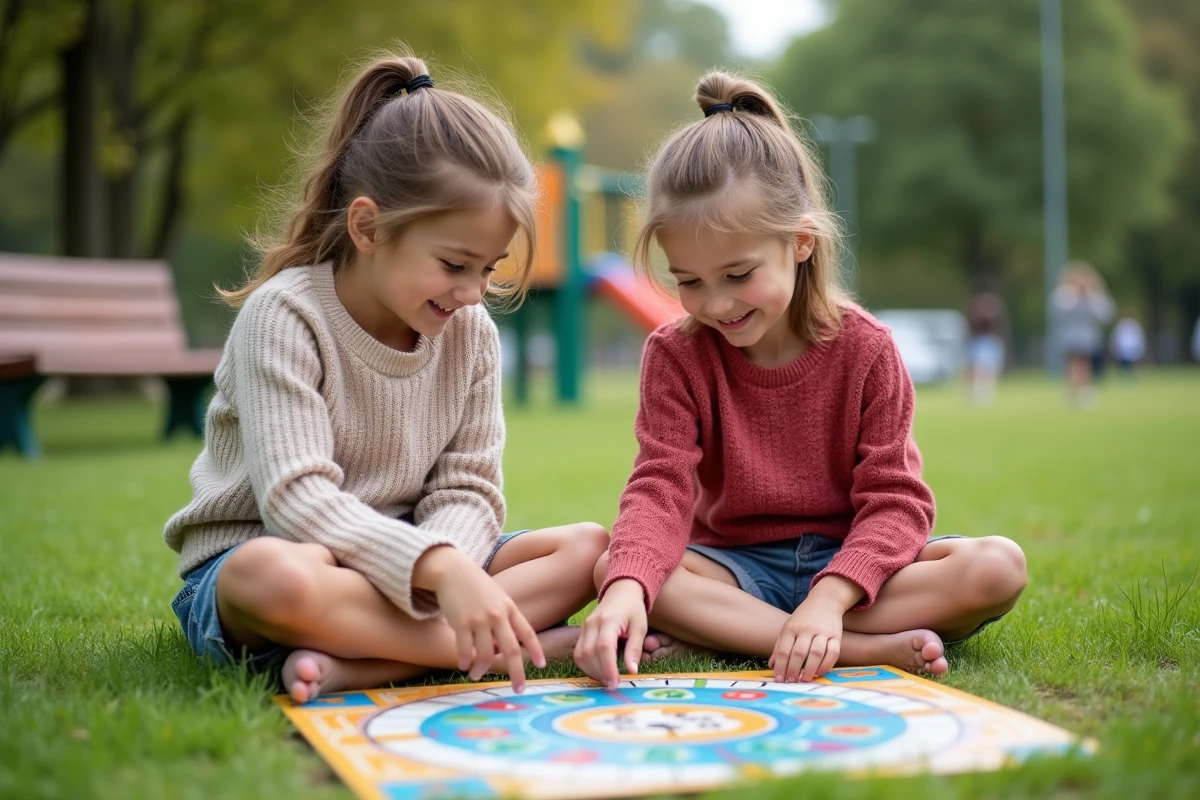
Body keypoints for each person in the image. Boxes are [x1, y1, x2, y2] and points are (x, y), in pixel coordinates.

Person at [164, 53, 608, 704]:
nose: (471, 292)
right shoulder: (284, 317)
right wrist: (438, 571)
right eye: (455, 263)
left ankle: (366, 661)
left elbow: (468, 490)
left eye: (487, 269)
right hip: (285, 555)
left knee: (587, 549)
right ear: (368, 227)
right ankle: (479, 648)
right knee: (272, 577)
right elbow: (298, 501)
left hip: (414, 562)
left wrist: (441, 566)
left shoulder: (471, 331)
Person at [574, 72, 1027, 689]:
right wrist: (628, 587)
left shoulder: (868, 349)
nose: (715, 304)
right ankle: (855, 650)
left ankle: (750, 631)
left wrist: (831, 598)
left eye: (738, 275)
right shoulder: (674, 355)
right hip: (732, 568)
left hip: (856, 573)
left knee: (996, 567)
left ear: (802, 243)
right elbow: (660, 487)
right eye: (690, 280)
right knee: (615, 566)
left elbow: (896, 502)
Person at [1052, 262, 1114, 407]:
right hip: (1069, 335)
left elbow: (1104, 315)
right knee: (1072, 364)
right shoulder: (1064, 294)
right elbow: (1059, 312)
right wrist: (1075, 296)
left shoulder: (1093, 294)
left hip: (1088, 336)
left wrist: (1091, 294)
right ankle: (1072, 391)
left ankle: (1083, 391)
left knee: (1085, 363)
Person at [965, 290, 1008, 405]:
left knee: (989, 368)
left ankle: (987, 392)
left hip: (988, 341)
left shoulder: (993, 316)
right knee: (977, 368)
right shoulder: (975, 314)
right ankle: (976, 392)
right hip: (979, 341)